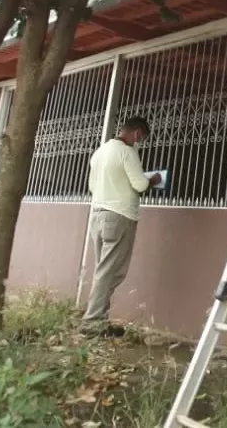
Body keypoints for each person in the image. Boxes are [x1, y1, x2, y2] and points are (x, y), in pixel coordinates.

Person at [81, 116, 161, 336]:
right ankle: (92, 323)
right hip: (119, 217)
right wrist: (153, 179)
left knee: (103, 270)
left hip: (98, 215)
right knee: (110, 273)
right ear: (137, 133)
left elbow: (92, 186)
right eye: (141, 138)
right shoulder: (126, 152)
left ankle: (99, 321)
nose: (139, 142)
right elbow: (140, 185)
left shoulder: (100, 152)